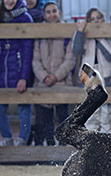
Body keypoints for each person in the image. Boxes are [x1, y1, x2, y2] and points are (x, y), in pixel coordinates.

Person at [30, 1, 74, 146]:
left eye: (54, 11)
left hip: (61, 81)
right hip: (43, 81)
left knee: (63, 116)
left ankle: (62, 146)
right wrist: (44, 76)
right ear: (44, 14)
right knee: (44, 118)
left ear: (59, 13)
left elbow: (70, 59)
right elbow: (35, 59)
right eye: (48, 12)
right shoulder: (39, 33)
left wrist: (55, 76)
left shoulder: (67, 31)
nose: (51, 14)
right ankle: (48, 145)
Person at [72, 8, 111, 135]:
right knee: (91, 114)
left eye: (99, 18)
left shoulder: (109, 36)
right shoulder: (84, 37)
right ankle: (92, 145)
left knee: (107, 116)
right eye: (92, 19)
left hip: (107, 77)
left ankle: (109, 145)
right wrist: (80, 32)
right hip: (89, 76)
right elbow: (76, 50)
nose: (96, 21)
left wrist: (101, 39)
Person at [0, 0, 34, 146]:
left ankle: (23, 140)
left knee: (23, 107)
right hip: (2, 68)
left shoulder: (26, 17)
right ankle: (7, 139)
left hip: (18, 66)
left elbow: (27, 51)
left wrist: (24, 77)